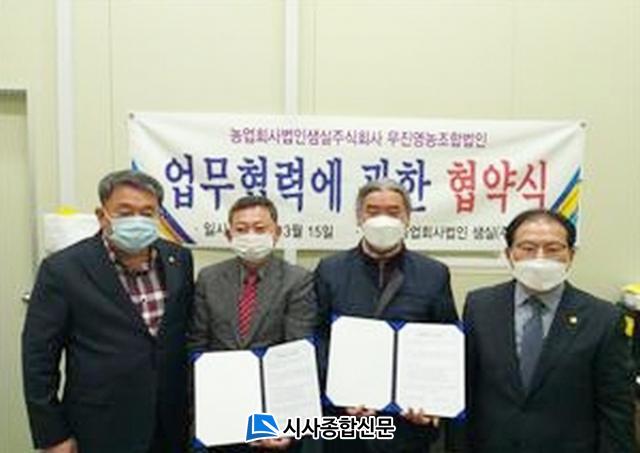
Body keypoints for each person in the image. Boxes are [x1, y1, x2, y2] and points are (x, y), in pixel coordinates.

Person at [22, 170, 194, 453]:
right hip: (101, 425)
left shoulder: (179, 258)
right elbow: (38, 357)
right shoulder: (63, 269)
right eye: (125, 212)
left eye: (147, 212)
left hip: (170, 422)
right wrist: (52, 434)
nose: (137, 220)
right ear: (102, 216)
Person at [464, 208, 635, 452]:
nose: (540, 258)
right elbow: (467, 387)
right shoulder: (479, 306)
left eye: (553, 249)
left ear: (571, 255)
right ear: (509, 254)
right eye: (528, 248)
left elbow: (616, 409)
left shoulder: (604, 319)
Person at [315, 179, 460, 453]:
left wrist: (433, 401)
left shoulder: (433, 273)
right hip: (347, 419)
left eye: (393, 212)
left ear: (408, 218)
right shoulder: (330, 269)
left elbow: (446, 341)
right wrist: (338, 390)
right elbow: (318, 336)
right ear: (359, 217)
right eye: (373, 211)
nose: (383, 220)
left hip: (408, 422)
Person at [189, 195, 316, 452]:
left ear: (276, 233)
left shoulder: (297, 279)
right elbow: (197, 344)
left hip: (272, 406)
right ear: (229, 235)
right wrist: (200, 408)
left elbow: (296, 352)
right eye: (241, 229)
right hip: (221, 403)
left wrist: (284, 423)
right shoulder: (209, 278)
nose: (251, 236)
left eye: (260, 228)